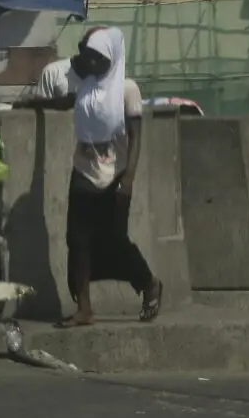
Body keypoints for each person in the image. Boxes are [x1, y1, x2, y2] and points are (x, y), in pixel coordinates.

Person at [20, 27, 161, 326]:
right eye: (88, 56)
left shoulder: (127, 89)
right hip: (84, 172)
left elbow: (136, 136)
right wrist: (34, 102)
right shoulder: (87, 86)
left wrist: (129, 178)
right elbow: (64, 101)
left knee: (116, 240)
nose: (91, 62)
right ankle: (84, 308)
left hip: (115, 176)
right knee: (78, 240)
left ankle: (149, 284)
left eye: (96, 57)